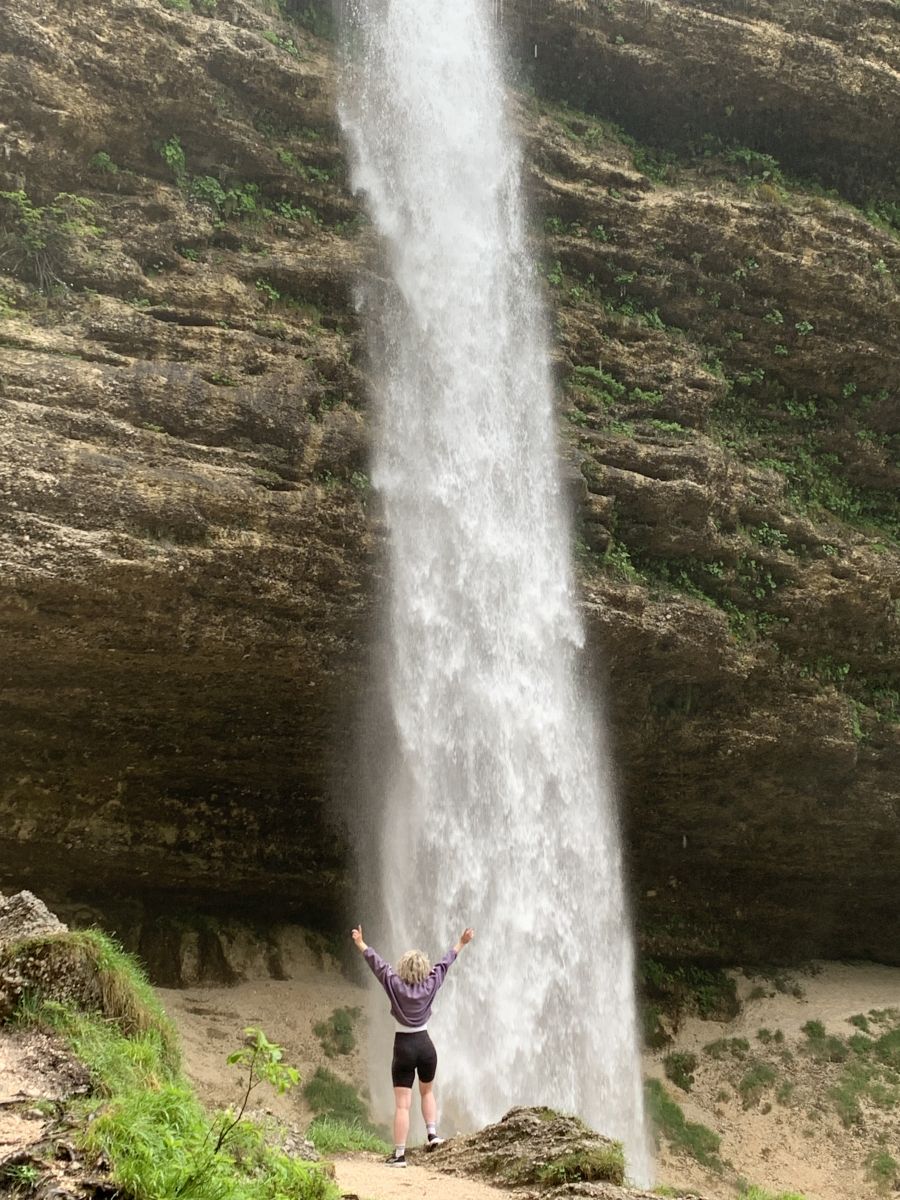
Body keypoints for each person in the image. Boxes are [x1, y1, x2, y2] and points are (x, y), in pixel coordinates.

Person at [351, 923, 474, 1168]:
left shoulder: (393, 984)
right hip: (426, 1047)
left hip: (404, 1048)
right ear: (425, 970)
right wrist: (462, 942)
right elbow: (445, 963)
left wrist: (360, 943)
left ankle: (399, 1155)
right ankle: (432, 1134)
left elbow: (377, 964)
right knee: (427, 1092)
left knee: (402, 1105)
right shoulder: (431, 984)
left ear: (402, 969)